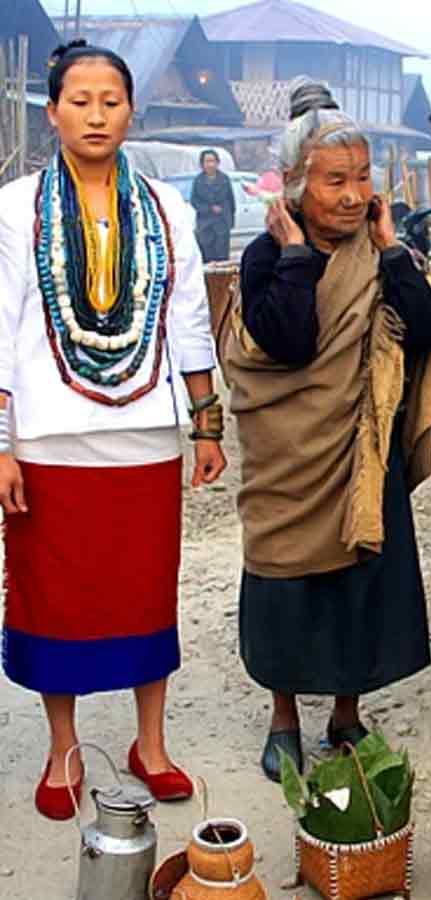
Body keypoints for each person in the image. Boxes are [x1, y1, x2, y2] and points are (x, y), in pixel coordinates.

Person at [0, 41, 227, 820]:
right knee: (54, 598)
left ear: (132, 109)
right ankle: (63, 750)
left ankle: (150, 743)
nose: (96, 114)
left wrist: (205, 422)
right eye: (80, 100)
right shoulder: (14, 208)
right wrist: (1, 443)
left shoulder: (168, 207)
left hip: (142, 435)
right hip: (49, 438)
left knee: (142, 592)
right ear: (53, 108)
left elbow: (188, 318)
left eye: (111, 100)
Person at [228, 77, 431, 782]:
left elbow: (423, 328)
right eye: (334, 181)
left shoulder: (379, 252)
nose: (353, 195)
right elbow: (288, 342)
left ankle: (347, 712)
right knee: (287, 588)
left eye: (362, 179)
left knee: (361, 584)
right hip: (290, 462)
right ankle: (285, 717)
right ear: (295, 185)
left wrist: (389, 248)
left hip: (364, 451)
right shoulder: (269, 256)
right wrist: (295, 252)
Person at [191, 148, 235, 262]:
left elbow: (231, 201)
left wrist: (229, 220)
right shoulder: (198, 181)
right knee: (207, 256)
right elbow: (195, 202)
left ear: (217, 163)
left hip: (222, 223)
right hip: (205, 225)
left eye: (213, 161)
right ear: (202, 164)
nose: (210, 164)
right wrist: (209, 209)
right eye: (207, 161)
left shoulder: (224, 179)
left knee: (222, 258)